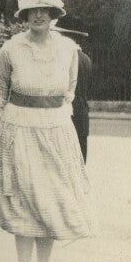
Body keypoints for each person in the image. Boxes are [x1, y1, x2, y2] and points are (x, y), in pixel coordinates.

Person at [0, 0, 97, 262]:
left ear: (53, 13)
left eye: (44, 10)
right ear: (24, 15)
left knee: (50, 201)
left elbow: (69, 90)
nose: (38, 16)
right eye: (32, 11)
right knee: (23, 201)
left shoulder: (68, 50)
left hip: (56, 131)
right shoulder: (10, 49)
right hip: (19, 130)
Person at [51, 19, 92, 161]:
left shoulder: (63, 58)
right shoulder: (86, 59)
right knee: (80, 161)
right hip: (82, 115)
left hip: (65, 115)